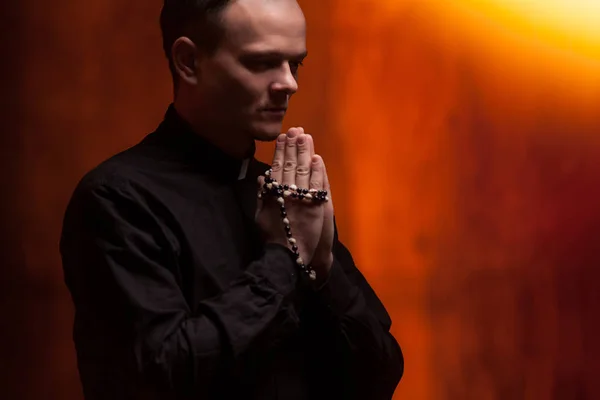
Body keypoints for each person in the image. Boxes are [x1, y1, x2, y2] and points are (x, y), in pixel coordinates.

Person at [59, 0, 404, 399]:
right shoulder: (117, 199)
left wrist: (322, 269)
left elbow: (379, 377)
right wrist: (282, 256)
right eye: (262, 63)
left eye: (296, 64)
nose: (289, 83)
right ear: (188, 61)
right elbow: (160, 378)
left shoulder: (286, 195)